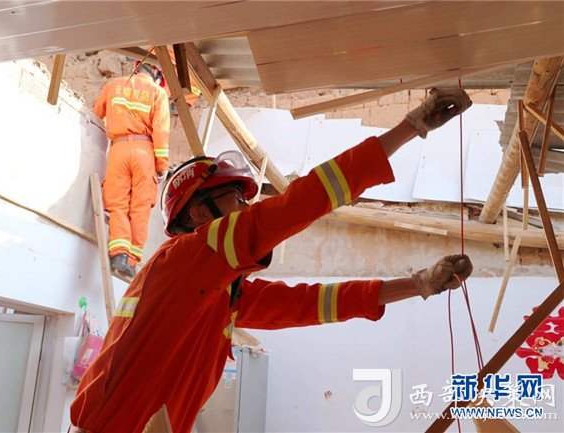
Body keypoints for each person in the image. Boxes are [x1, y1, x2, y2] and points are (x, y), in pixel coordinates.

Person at [70, 88, 474, 432]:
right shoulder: (187, 257)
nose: (247, 208)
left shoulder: (215, 294)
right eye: (236, 197)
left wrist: (419, 284)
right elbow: (300, 203)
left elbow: (310, 304)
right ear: (199, 213)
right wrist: (411, 126)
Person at [93, 60, 170, 280]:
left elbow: (96, 114)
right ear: (157, 76)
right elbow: (161, 132)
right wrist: (161, 165)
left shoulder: (113, 85)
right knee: (140, 207)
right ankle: (131, 261)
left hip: (117, 150)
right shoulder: (158, 93)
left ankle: (118, 254)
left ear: (136, 68)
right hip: (144, 152)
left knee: (117, 204)